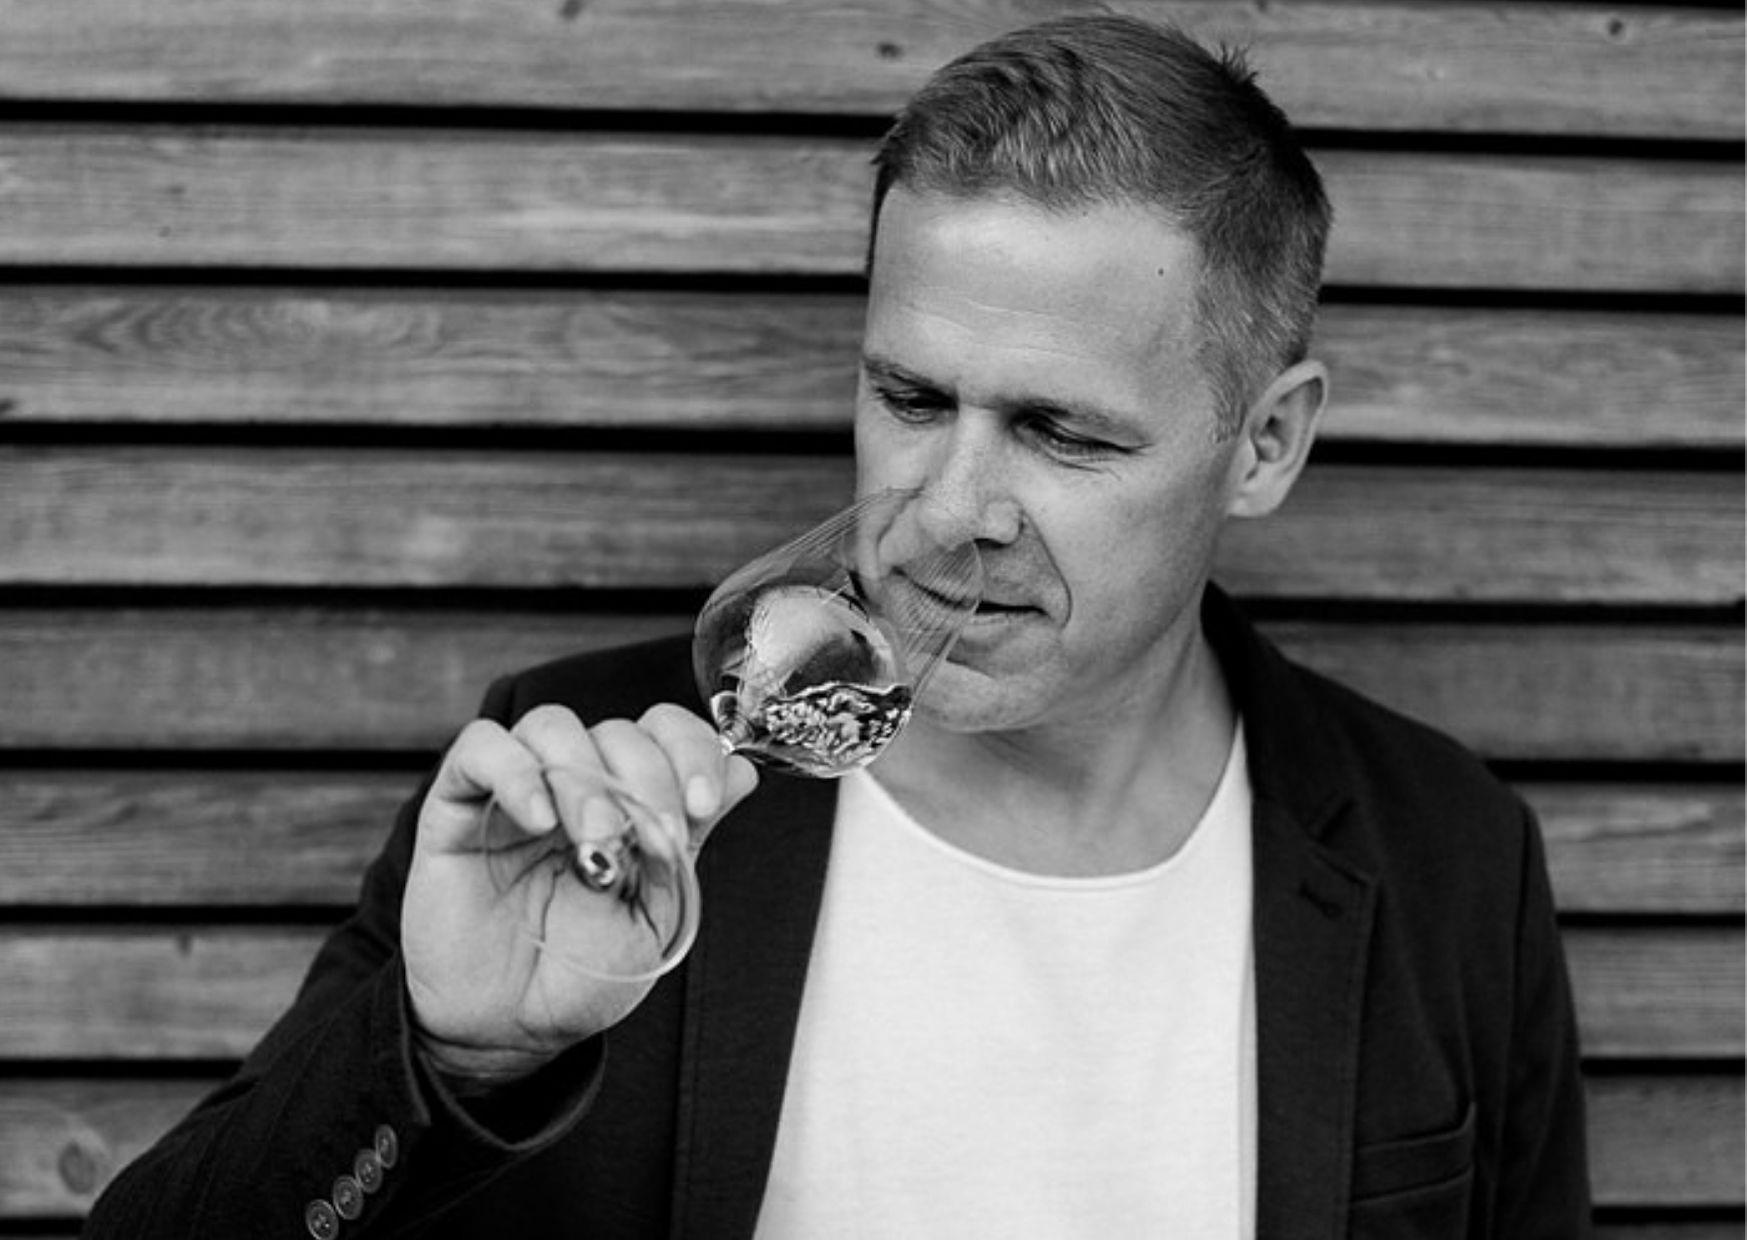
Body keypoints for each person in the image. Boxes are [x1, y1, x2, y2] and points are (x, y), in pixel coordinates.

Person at [84, 14, 1591, 1238]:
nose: (949, 511)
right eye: (912, 399)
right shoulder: (589, 800)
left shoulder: (1447, 859)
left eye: (1065, 436)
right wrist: (448, 1060)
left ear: (1264, 445)